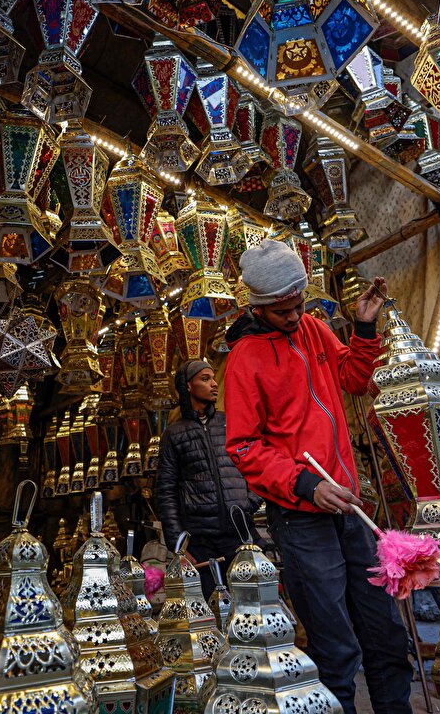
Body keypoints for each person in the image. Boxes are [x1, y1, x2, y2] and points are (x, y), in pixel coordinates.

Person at [223, 239, 413, 714]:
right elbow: (243, 447)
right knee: (334, 646)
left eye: (299, 304)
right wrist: (307, 484)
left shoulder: (313, 328)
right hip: (300, 515)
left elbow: (353, 378)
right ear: (259, 305)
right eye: (283, 310)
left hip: (347, 505)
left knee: (386, 633)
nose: (294, 316)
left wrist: (365, 327)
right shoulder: (244, 358)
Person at [156, 359, 260, 597]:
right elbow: (166, 492)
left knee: (253, 606)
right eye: (205, 379)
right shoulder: (174, 434)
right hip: (202, 543)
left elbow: (256, 463)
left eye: (213, 378)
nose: (214, 384)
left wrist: (249, 503)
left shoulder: (230, 422)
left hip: (241, 534)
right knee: (212, 613)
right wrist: (178, 546)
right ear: (188, 386)